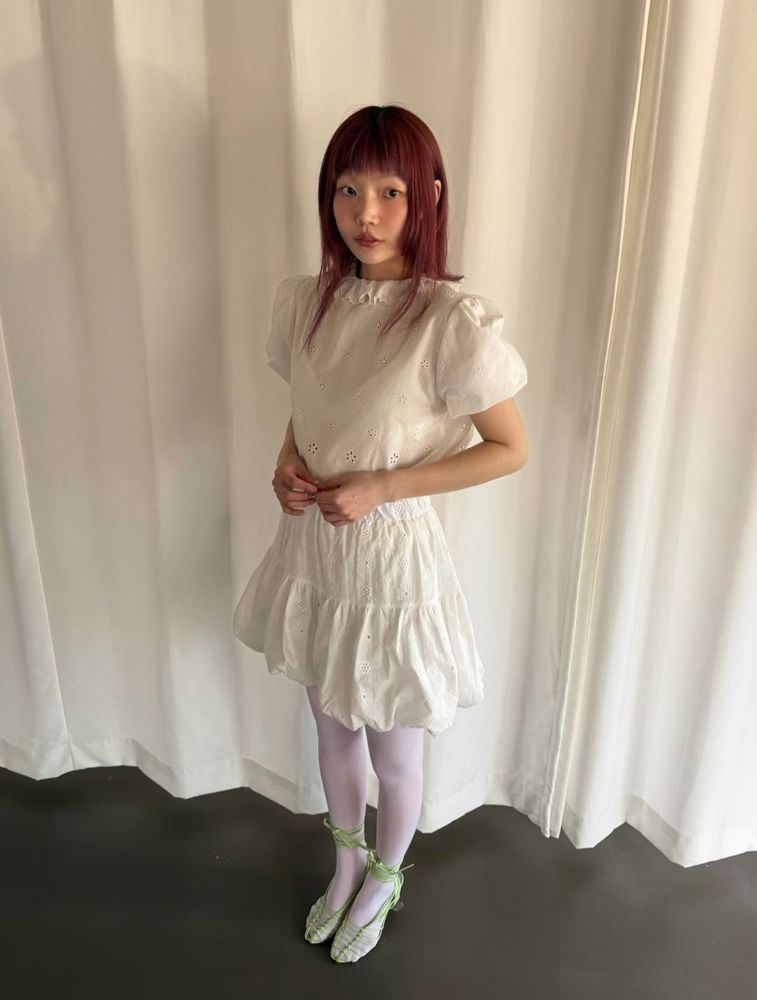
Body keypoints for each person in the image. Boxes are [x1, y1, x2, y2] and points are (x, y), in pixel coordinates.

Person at [232, 104, 529, 963]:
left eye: (391, 191)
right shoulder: (306, 302)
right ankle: (344, 864)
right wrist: (286, 464)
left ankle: (387, 875)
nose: (366, 213)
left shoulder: (448, 320)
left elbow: (509, 448)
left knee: (394, 750)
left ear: (427, 195)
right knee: (331, 733)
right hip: (317, 549)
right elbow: (310, 410)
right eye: (347, 189)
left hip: (393, 567)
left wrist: (385, 486)